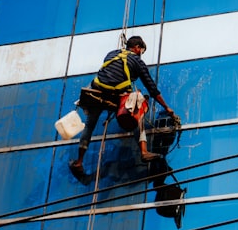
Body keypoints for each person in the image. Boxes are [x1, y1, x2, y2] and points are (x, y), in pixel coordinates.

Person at [70, 36, 176, 181]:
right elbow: (152, 89)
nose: (141, 54)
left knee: (90, 125)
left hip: (96, 91)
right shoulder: (137, 62)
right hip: (116, 94)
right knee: (138, 110)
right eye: (141, 51)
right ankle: (144, 152)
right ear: (137, 47)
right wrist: (167, 107)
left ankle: (79, 162)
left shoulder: (111, 53)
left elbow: (109, 73)